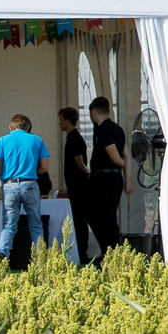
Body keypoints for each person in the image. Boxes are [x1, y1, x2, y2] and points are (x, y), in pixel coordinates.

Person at [0, 115, 53, 270]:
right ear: (28, 127)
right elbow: (45, 167)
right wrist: (31, 171)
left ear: (10, 127)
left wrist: (4, 174)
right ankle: (40, 258)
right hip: (30, 184)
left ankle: (3, 253)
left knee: (9, 225)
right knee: (36, 224)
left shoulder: (2, 141)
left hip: (10, 184)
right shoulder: (36, 140)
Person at [87, 97, 128, 255]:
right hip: (113, 178)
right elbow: (126, 156)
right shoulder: (118, 129)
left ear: (94, 112)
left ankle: (111, 252)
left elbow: (117, 158)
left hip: (104, 179)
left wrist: (121, 164)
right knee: (104, 216)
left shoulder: (105, 130)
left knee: (105, 217)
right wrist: (128, 179)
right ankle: (109, 251)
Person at [59, 106, 97, 264]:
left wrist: (89, 174)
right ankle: (81, 251)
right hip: (75, 185)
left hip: (78, 187)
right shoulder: (73, 138)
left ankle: (82, 252)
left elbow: (80, 164)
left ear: (67, 121)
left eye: (61, 120)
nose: (59, 123)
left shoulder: (74, 139)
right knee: (79, 219)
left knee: (80, 220)